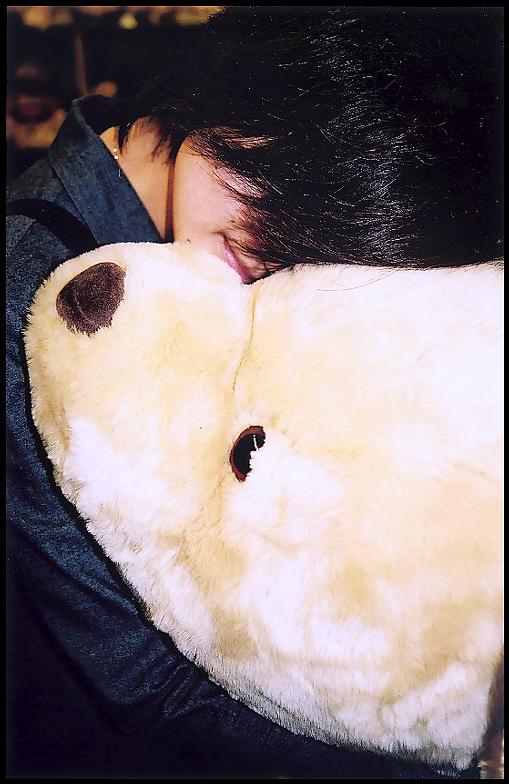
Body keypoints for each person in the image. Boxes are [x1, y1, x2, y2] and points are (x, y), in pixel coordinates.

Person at [6, 6, 502, 778]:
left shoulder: (205, 216)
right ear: (245, 85)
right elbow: (145, 683)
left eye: (336, 234)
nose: (284, 255)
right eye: (294, 196)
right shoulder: (29, 295)